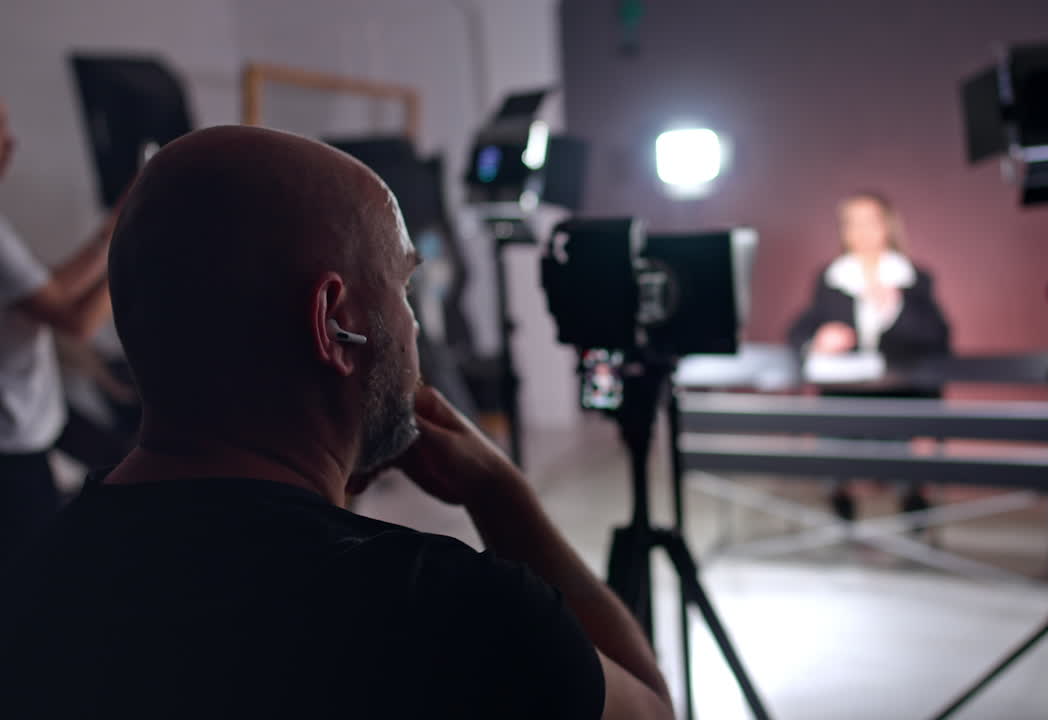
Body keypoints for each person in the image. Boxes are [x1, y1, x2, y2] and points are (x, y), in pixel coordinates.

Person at [0, 126, 674, 720]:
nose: (412, 326)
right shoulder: (456, 617)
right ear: (334, 321)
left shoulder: (36, 582)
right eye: (403, 288)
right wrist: (502, 495)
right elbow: (649, 711)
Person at [0, 100, 116, 564]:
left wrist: (114, 227)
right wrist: (140, 235)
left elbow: (47, 290)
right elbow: (77, 320)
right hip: (12, 451)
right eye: (0, 127)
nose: (12, 142)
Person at [788, 193, 951, 522]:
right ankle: (842, 506)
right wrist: (818, 340)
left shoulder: (914, 278)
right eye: (852, 223)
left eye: (869, 222)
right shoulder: (832, 278)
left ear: (887, 226)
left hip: (901, 396)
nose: (861, 231)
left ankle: (911, 505)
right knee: (833, 444)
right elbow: (799, 330)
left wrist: (895, 308)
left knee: (902, 455)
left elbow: (938, 338)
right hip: (844, 397)